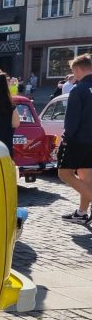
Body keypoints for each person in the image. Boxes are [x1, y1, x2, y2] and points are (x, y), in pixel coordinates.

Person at [58, 54, 92, 223]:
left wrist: (65, 139)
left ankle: (85, 209)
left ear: (78, 69)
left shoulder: (78, 90)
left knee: (64, 173)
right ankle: (82, 213)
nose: (74, 76)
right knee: (87, 177)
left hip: (79, 140)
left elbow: (72, 120)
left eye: (74, 72)